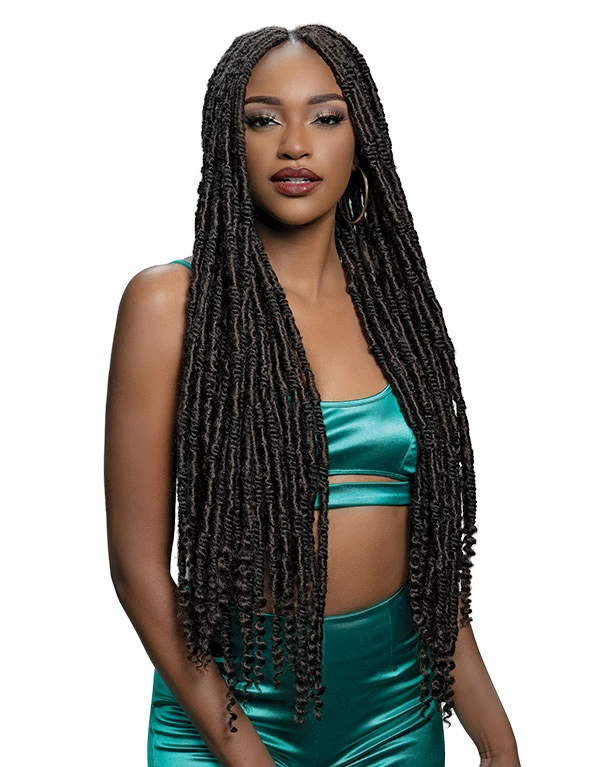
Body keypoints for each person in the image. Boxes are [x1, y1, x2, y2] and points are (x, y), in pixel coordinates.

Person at [104, 24, 521, 767]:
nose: (295, 144)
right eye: (263, 119)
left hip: (395, 716)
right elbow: (137, 572)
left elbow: (432, 572)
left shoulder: (397, 314)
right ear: (226, 143)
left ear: (362, 140)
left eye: (326, 117)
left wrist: (498, 742)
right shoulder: (171, 305)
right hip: (226, 718)